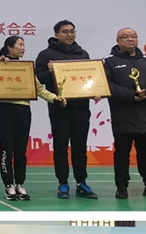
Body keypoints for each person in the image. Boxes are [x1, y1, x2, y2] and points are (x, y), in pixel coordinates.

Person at [103, 28, 146, 200]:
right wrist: (131, 95)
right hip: (122, 115)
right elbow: (106, 85)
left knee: (145, 152)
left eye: (133, 36)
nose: (130, 39)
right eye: (125, 37)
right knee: (122, 152)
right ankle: (122, 187)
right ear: (118, 40)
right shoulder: (108, 62)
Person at [34, 20, 98, 200]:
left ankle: (81, 183)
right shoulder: (46, 55)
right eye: (65, 32)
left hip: (81, 107)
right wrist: (50, 71)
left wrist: (96, 90)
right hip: (60, 107)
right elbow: (38, 79)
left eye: (72, 31)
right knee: (61, 146)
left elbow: (89, 77)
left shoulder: (82, 54)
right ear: (56, 35)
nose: (70, 35)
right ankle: (63, 183)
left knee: (80, 147)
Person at [0, 36, 65, 201]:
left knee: (21, 150)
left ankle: (20, 184)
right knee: (7, 149)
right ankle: (8, 185)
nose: (23, 48)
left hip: (23, 110)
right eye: (20, 45)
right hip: (4, 110)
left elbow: (39, 89)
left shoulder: (26, 68)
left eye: (24, 45)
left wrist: (55, 98)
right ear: (9, 48)